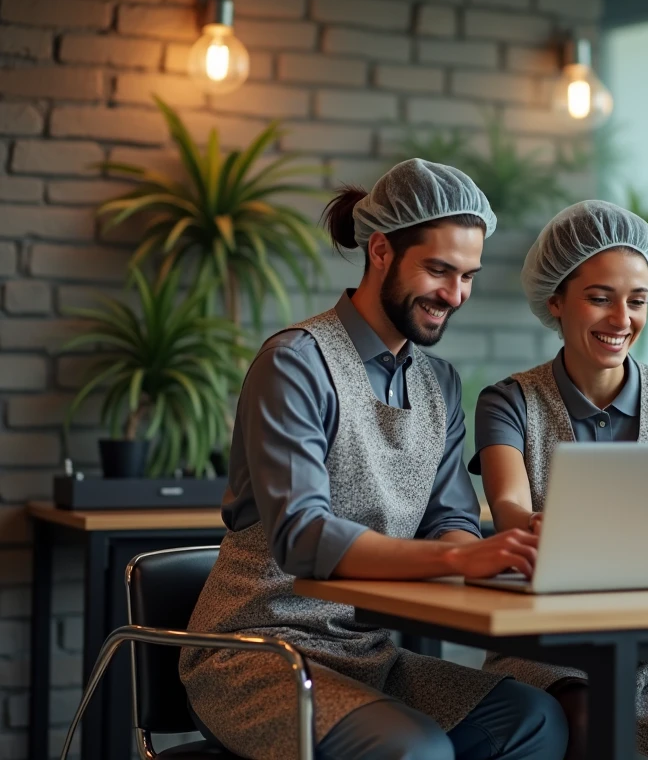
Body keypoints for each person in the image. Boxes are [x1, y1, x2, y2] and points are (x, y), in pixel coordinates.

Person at [179, 160, 568, 760]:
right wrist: (460, 557)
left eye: (467, 276)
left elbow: (450, 519)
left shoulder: (439, 383)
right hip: (258, 653)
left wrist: (484, 552)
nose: (454, 295)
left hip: (367, 652)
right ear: (381, 251)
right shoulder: (295, 364)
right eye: (438, 270)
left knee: (537, 718)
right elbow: (303, 535)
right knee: (416, 750)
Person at [470, 201, 648, 760]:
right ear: (556, 301)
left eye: (637, 301)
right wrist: (537, 527)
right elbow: (509, 506)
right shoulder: (509, 402)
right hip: (542, 641)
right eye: (600, 298)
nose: (621, 319)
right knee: (586, 717)